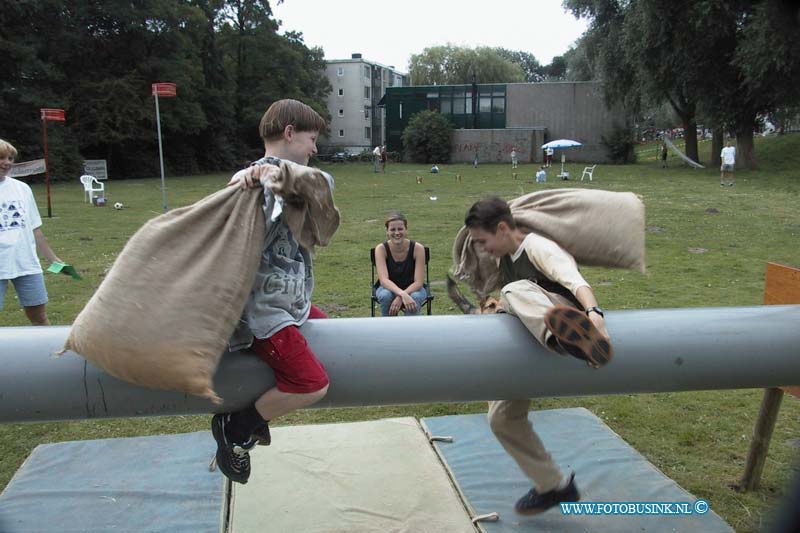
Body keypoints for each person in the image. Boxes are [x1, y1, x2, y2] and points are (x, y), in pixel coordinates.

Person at [211, 99, 338, 485]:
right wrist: (252, 178)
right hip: (263, 313)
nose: (314, 149)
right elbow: (229, 212)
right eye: (311, 139)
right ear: (288, 133)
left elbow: (324, 187)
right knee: (312, 383)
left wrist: (276, 173)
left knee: (331, 334)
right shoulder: (247, 182)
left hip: (291, 302)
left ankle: (248, 424)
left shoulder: (294, 178)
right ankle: (236, 428)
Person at [464, 196, 613, 515]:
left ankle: (569, 337)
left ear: (502, 228)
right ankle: (554, 485)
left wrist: (593, 312)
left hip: (566, 317)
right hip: (534, 336)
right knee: (502, 418)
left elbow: (574, 280)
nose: (483, 248)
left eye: (483, 240)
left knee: (512, 291)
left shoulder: (538, 247)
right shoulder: (505, 260)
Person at [0, 139, 63, 326]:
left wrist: (53, 259)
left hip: (26, 263)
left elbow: (34, 229)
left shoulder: (22, 189)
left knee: (39, 316)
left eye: (10, 158)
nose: (7, 162)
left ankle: (50, 353)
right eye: (1, 158)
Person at [373, 212, 428, 316]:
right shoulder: (381, 249)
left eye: (400, 229)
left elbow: (418, 283)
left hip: (413, 288)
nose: (397, 233)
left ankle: (411, 329)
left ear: (406, 230)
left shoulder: (418, 248)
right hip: (388, 288)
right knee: (385, 295)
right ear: (387, 232)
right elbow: (384, 281)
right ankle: (387, 328)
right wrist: (402, 294)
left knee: (415, 296)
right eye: (393, 229)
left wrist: (402, 296)